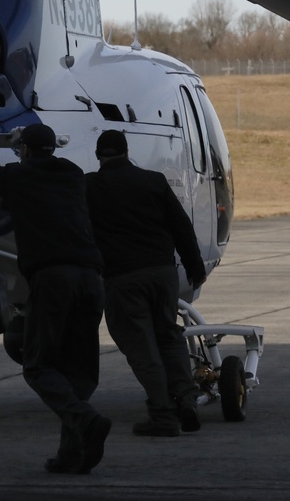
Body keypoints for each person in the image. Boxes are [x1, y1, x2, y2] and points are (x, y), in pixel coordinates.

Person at [0, 123, 111, 475]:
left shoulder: (18, 177)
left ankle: (85, 421)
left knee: (39, 366)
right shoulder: (71, 173)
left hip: (54, 279)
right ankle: (72, 454)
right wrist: (21, 145)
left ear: (23, 150)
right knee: (79, 372)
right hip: (91, 278)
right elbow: (36, 168)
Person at [85, 129, 207, 437]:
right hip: (163, 274)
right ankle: (187, 399)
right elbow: (181, 226)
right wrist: (194, 268)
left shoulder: (89, 186)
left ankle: (163, 416)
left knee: (141, 346)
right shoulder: (154, 181)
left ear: (99, 155)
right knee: (168, 335)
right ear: (127, 152)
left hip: (124, 278)